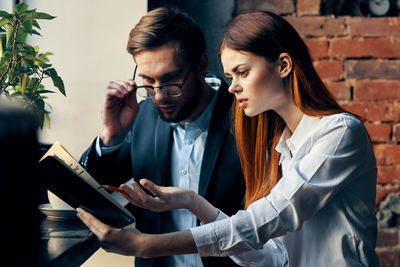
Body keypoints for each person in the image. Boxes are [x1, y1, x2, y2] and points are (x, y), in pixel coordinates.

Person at [77, 10, 379, 266]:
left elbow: (267, 219)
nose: (232, 87)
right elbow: (273, 256)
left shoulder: (339, 133)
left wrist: (145, 245)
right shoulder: (286, 145)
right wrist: (191, 201)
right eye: (230, 76)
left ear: (283, 65)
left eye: (242, 72)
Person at [79, 7, 245, 267]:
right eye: (147, 80)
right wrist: (111, 136)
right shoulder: (140, 115)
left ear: (201, 65)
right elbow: (89, 192)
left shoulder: (245, 117)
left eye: (170, 80)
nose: (158, 95)